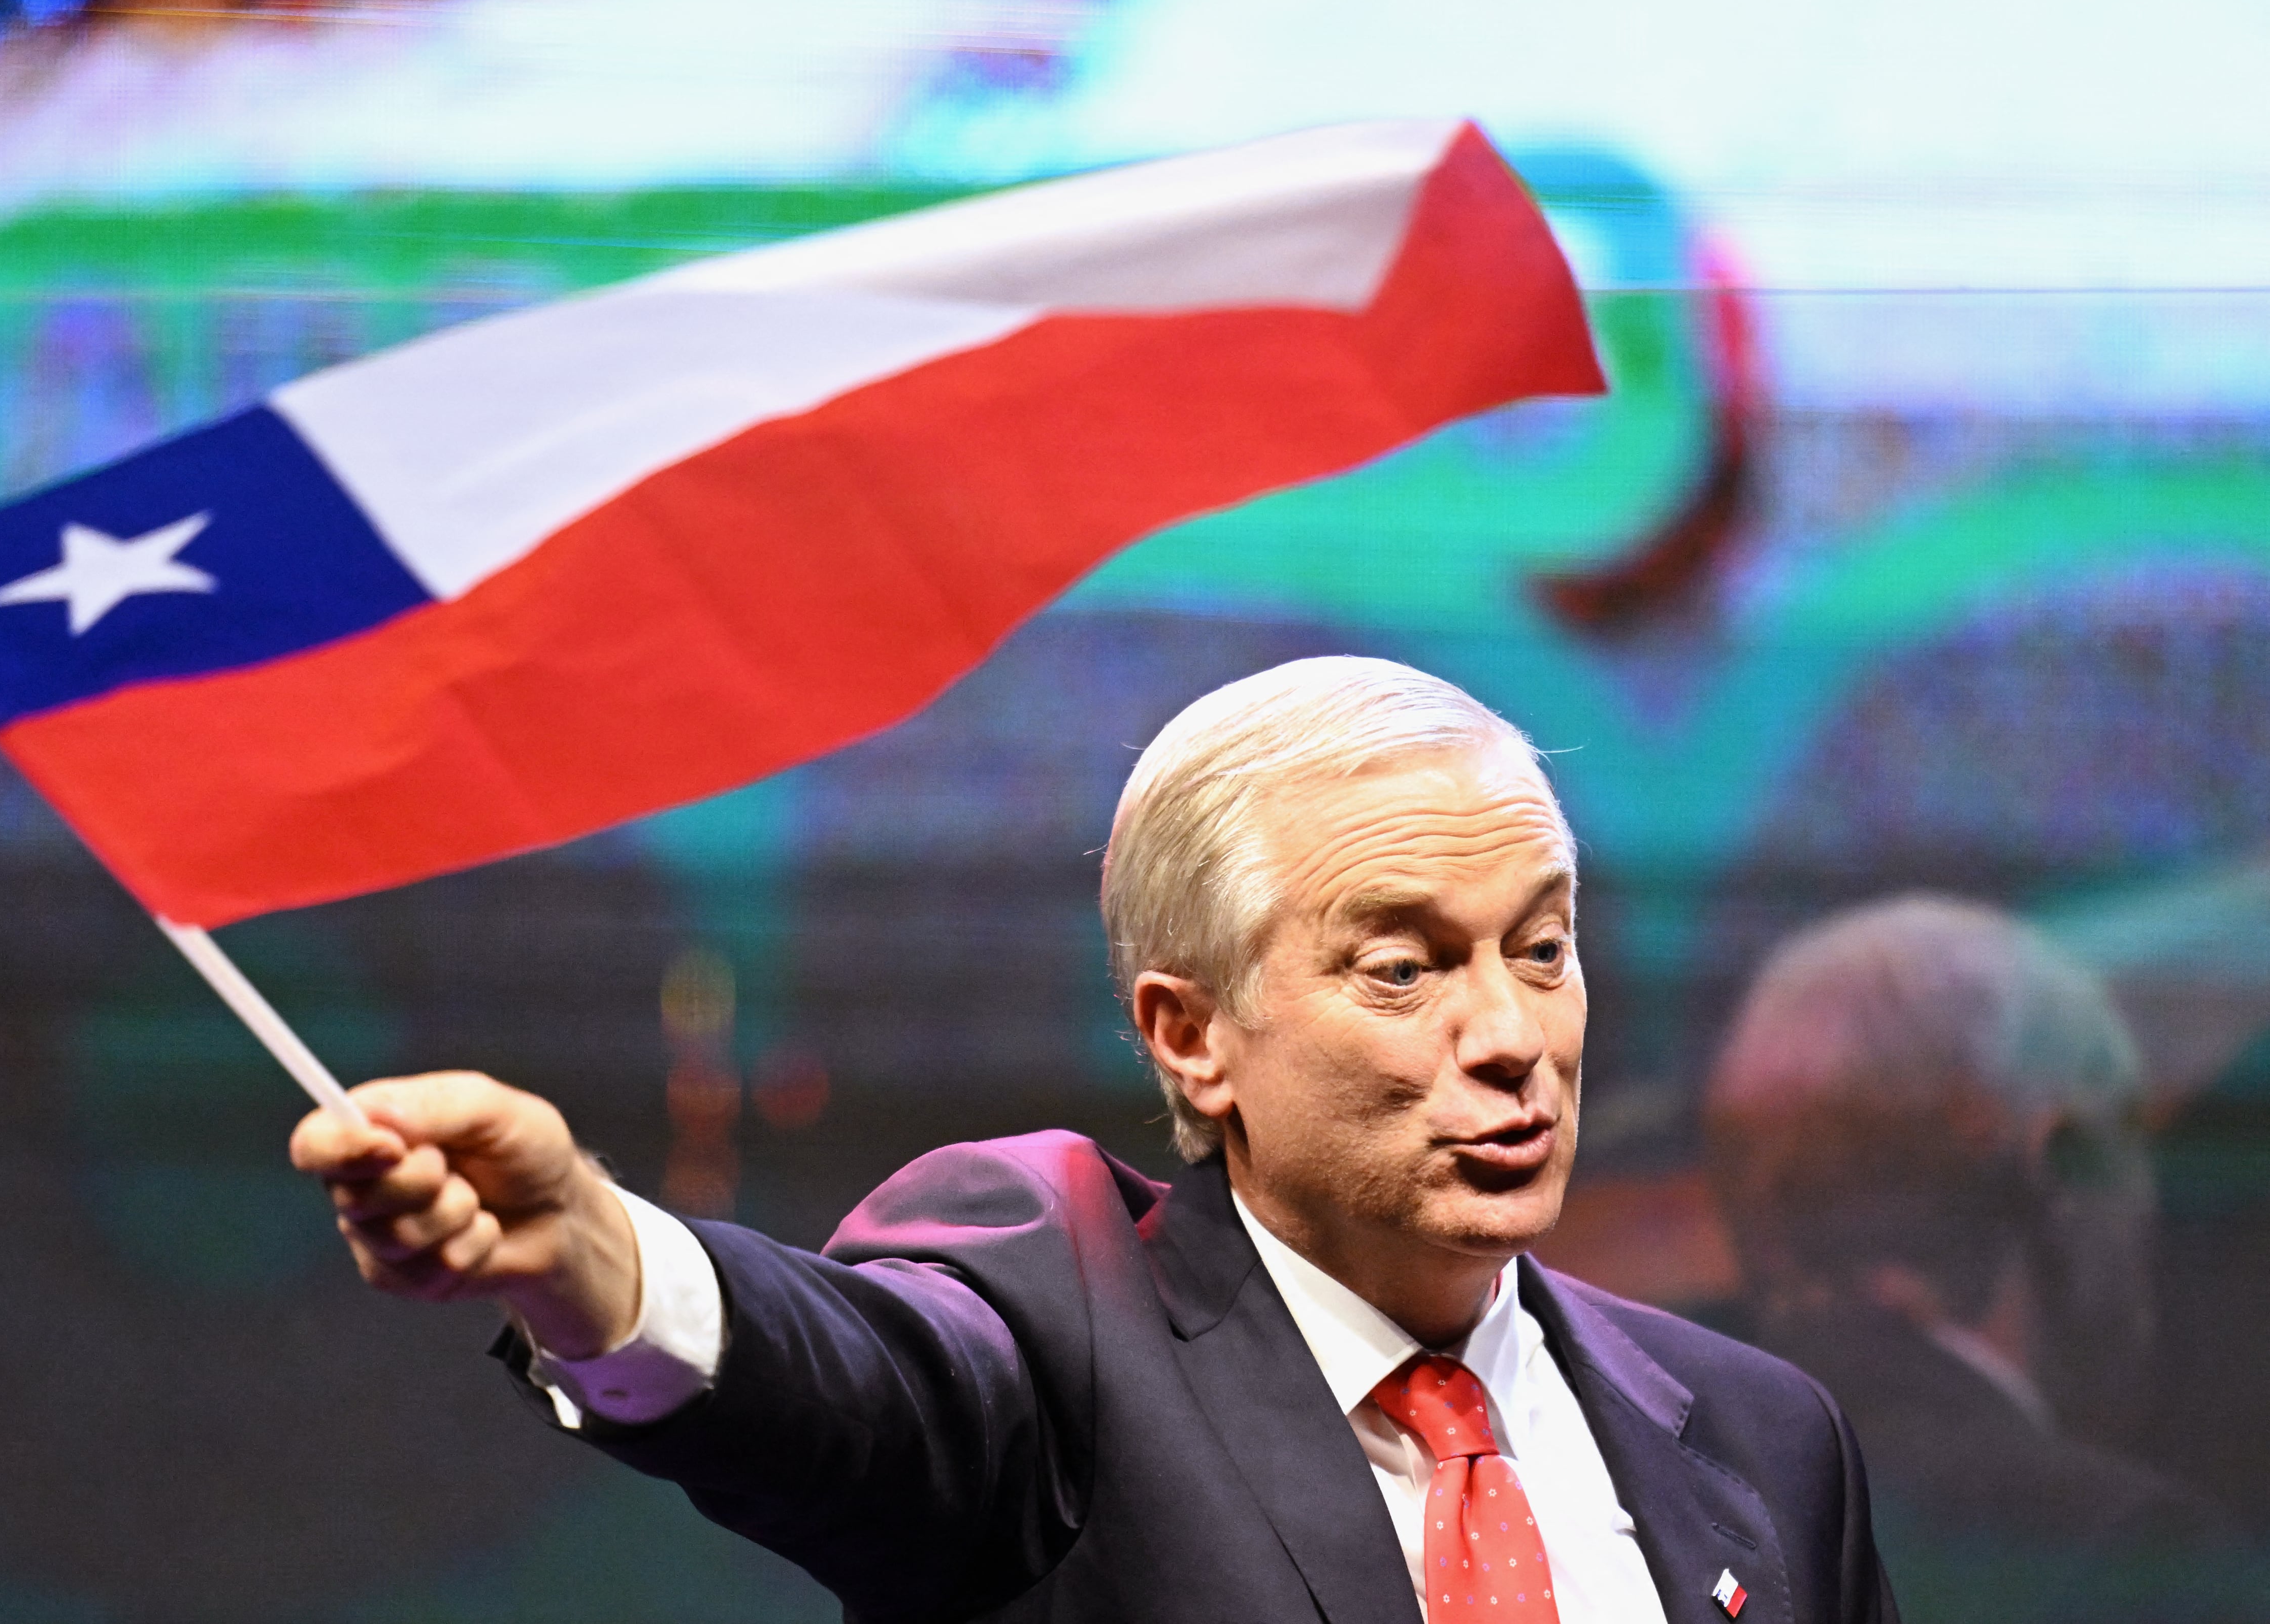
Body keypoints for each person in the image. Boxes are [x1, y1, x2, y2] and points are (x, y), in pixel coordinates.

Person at [292, 657, 1897, 1624]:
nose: (1510, 1033)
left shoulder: (1767, 1441)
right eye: (1402, 969)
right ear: (1192, 1034)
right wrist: (593, 1252)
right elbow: (847, 1384)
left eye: (1540, 947)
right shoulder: (1060, 1325)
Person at [1702, 895, 2241, 1619]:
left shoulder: (1634, 1499)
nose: (2149, 1217)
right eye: (2129, 1148)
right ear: (2065, 1162)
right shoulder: (2137, 1558)